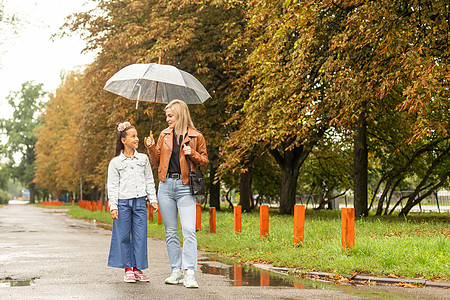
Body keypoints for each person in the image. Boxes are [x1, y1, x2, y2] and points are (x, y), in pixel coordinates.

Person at [145, 100, 208, 288]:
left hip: (185, 186)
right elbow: (157, 162)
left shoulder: (196, 136)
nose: (167, 119)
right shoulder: (163, 135)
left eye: (170, 116)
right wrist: (150, 148)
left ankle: (189, 272)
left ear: (180, 115)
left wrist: (193, 153)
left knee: (189, 229)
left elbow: (204, 160)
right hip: (165, 187)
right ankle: (176, 271)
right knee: (171, 232)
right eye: (166, 116)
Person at [107, 121, 159, 283]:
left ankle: (137, 268)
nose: (137, 139)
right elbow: (113, 186)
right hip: (123, 203)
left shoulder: (143, 159)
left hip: (139, 203)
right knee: (123, 236)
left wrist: (153, 200)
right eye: (133, 136)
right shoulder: (116, 162)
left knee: (140, 236)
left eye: (136, 136)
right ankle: (128, 269)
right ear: (124, 140)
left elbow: (149, 181)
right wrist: (113, 206)